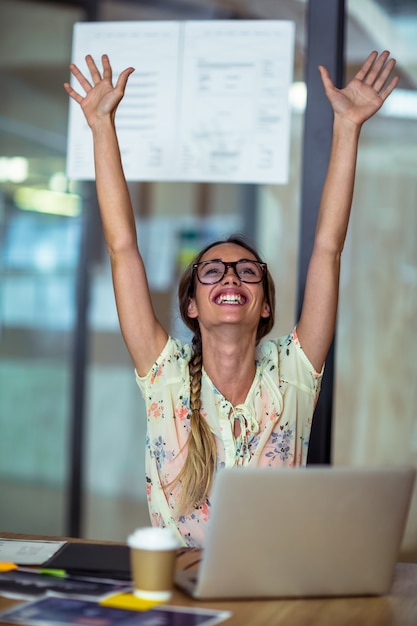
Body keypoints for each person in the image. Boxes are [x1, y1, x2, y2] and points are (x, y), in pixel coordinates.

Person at [64, 49, 398, 547]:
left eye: (247, 271)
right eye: (212, 271)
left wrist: (347, 127)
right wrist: (101, 126)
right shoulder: (165, 374)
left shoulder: (295, 371)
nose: (231, 277)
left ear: (264, 305)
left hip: (275, 584)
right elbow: (122, 249)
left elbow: (327, 249)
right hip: (179, 586)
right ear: (192, 306)